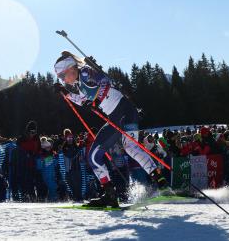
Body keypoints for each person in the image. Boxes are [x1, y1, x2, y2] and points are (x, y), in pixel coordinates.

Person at [54, 51, 167, 207]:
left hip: (122, 112)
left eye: (62, 76)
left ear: (70, 69)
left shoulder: (86, 72)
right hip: (122, 114)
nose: (63, 79)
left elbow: (105, 82)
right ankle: (160, 182)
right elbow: (83, 100)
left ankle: (111, 194)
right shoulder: (80, 84)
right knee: (127, 148)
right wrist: (65, 93)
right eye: (60, 78)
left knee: (96, 156)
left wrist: (97, 100)